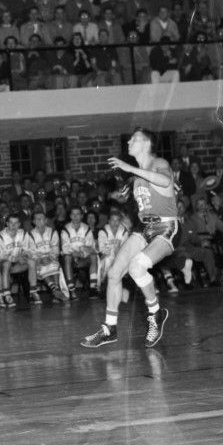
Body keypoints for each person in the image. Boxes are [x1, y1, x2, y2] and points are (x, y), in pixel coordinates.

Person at [82, 128, 179, 348]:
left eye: (134, 139)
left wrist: (130, 169)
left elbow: (165, 181)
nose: (129, 142)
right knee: (114, 272)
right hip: (144, 226)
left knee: (136, 267)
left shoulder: (159, 163)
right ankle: (109, 328)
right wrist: (118, 195)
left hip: (165, 227)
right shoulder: (136, 177)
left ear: (147, 144)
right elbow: (141, 201)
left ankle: (155, 313)